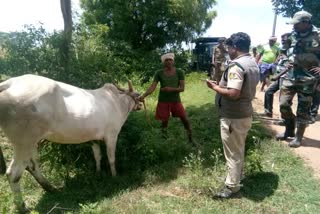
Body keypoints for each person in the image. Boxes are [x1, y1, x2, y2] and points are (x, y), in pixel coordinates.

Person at [206, 32, 259, 198]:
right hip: (244, 114)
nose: (227, 50)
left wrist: (214, 87)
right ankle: (237, 176)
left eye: (229, 47)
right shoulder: (251, 62)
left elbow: (234, 93)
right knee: (238, 147)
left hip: (233, 117)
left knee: (232, 152)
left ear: (235, 48)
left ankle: (231, 187)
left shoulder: (236, 65)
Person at [276, 11, 320, 148]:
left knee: (303, 109)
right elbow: (283, 51)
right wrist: (285, 59)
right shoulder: (292, 35)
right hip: (291, 75)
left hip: (308, 77)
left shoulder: (318, 35)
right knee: (283, 104)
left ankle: (298, 137)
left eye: (297, 24)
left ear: (306, 23)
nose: (294, 26)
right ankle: (289, 129)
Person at [138, 53, 193, 144]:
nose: (168, 61)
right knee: (164, 121)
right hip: (163, 100)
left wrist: (170, 89)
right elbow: (153, 86)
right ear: (163, 62)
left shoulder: (179, 72)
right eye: (166, 60)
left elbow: (182, 88)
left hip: (175, 100)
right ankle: (164, 139)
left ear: (173, 61)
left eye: (170, 60)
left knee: (184, 119)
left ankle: (190, 137)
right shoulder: (159, 73)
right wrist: (143, 95)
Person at [262, 33, 292, 118]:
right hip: (280, 76)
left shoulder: (293, 50)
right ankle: (268, 112)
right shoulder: (282, 50)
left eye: (284, 39)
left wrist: (277, 76)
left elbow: (290, 65)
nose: (282, 41)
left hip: (287, 78)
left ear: (290, 40)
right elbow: (278, 62)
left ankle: (285, 118)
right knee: (268, 92)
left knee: (283, 99)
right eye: (281, 39)